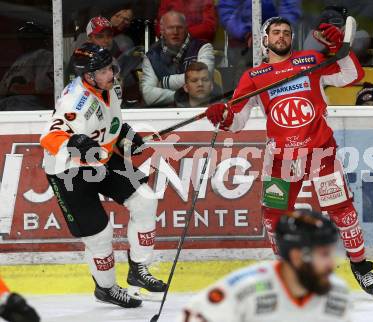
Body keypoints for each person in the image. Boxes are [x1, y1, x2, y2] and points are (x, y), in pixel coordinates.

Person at [205, 17, 373, 296]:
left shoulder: (310, 61)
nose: (281, 37)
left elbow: (352, 76)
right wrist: (222, 116)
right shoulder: (253, 77)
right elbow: (235, 120)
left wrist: (340, 48)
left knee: (342, 211)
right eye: (275, 32)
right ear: (264, 40)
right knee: (274, 216)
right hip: (281, 159)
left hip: (320, 151)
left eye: (286, 32)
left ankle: (360, 266)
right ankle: (287, 270)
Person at [40, 43, 166, 308]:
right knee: (99, 235)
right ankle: (106, 288)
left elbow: (110, 121)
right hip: (68, 170)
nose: (112, 73)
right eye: (105, 69)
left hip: (102, 159)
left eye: (111, 66)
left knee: (145, 199)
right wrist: (75, 142)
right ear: (88, 76)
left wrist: (125, 135)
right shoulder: (75, 101)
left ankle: (138, 269)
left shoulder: (110, 86)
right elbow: (49, 137)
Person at [178, 209, 351, 322]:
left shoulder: (338, 294)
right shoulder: (242, 290)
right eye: (324, 255)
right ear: (297, 256)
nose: (331, 264)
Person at [140, 10, 215, 107]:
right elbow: (149, 95)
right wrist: (183, 96)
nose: (175, 32)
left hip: (201, 108)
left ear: (186, 29)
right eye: (170, 28)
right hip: (166, 114)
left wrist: (165, 83)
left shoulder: (203, 47)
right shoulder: (151, 55)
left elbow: (205, 77)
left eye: (179, 27)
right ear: (162, 30)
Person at [217, 0, 301, 82]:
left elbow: (290, 10)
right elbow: (227, 12)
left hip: (277, 44)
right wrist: (246, 33)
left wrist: (277, 33)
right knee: (243, 86)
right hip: (241, 46)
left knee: (281, 83)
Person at [0, 21, 54, 111]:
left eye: (29, 36)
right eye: (23, 37)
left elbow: (42, 86)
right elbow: (2, 87)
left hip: (27, 102)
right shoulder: (20, 58)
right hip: (9, 101)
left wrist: (19, 88)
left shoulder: (44, 54)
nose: (25, 40)